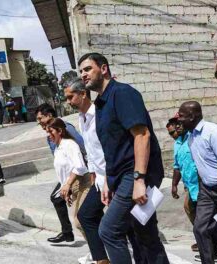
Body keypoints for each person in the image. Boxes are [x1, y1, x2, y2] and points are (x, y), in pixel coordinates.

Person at [78, 52, 169, 264]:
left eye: (87, 69)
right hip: (120, 177)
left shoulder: (122, 93)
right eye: (81, 71)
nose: (83, 74)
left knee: (109, 230)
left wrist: (139, 180)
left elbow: (142, 135)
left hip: (134, 174)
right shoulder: (101, 103)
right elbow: (111, 149)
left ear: (103, 68)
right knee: (143, 233)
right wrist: (109, 183)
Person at [64, 77, 145, 264]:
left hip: (115, 176)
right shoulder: (82, 118)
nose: (68, 102)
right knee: (87, 215)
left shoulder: (99, 114)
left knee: (121, 226)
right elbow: (91, 150)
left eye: (71, 97)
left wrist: (108, 178)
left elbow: (110, 149)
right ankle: (102, 259)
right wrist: (93, 174)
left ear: (83, 94)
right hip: (100, 178)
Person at [177, 101, 217, 264]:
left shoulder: (213, 132)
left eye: (181, 116)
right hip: (207, 190)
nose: (179, 119)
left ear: (192, 116)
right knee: (199, 228)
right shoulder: (191, 136)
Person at [34, 103, 86, 243]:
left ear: (49, 116)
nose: (38, 122)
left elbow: (82, 148)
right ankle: (67, 233)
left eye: (40, 118)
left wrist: (70, 182)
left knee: (83, 218)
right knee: (57, 198)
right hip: (69, 176)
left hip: (80, 175)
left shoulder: (66, 129)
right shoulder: (51, 135)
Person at [46, 118, 91, 244]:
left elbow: (80, 166)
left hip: (83, 183)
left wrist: (68, 185)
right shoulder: (58, 148)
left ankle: (101, 254)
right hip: (73, 186)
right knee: (82, 222)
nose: (49, 136)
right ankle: (96, 254)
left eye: (51, 132)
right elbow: (63, 173)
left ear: (60, 131)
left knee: (81, 221)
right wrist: (66, 189)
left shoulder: (69, 144)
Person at [168, 115, 200, 253]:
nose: (172, 135)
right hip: (189, 186)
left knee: (204, 214)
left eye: (173, 131)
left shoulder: (192, 138)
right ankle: (202, 238)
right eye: (170, 134)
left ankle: (215, 242)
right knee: (190, 209)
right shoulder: (177, 144)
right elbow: (177, 167)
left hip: (201, 184)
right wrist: (174, 185)